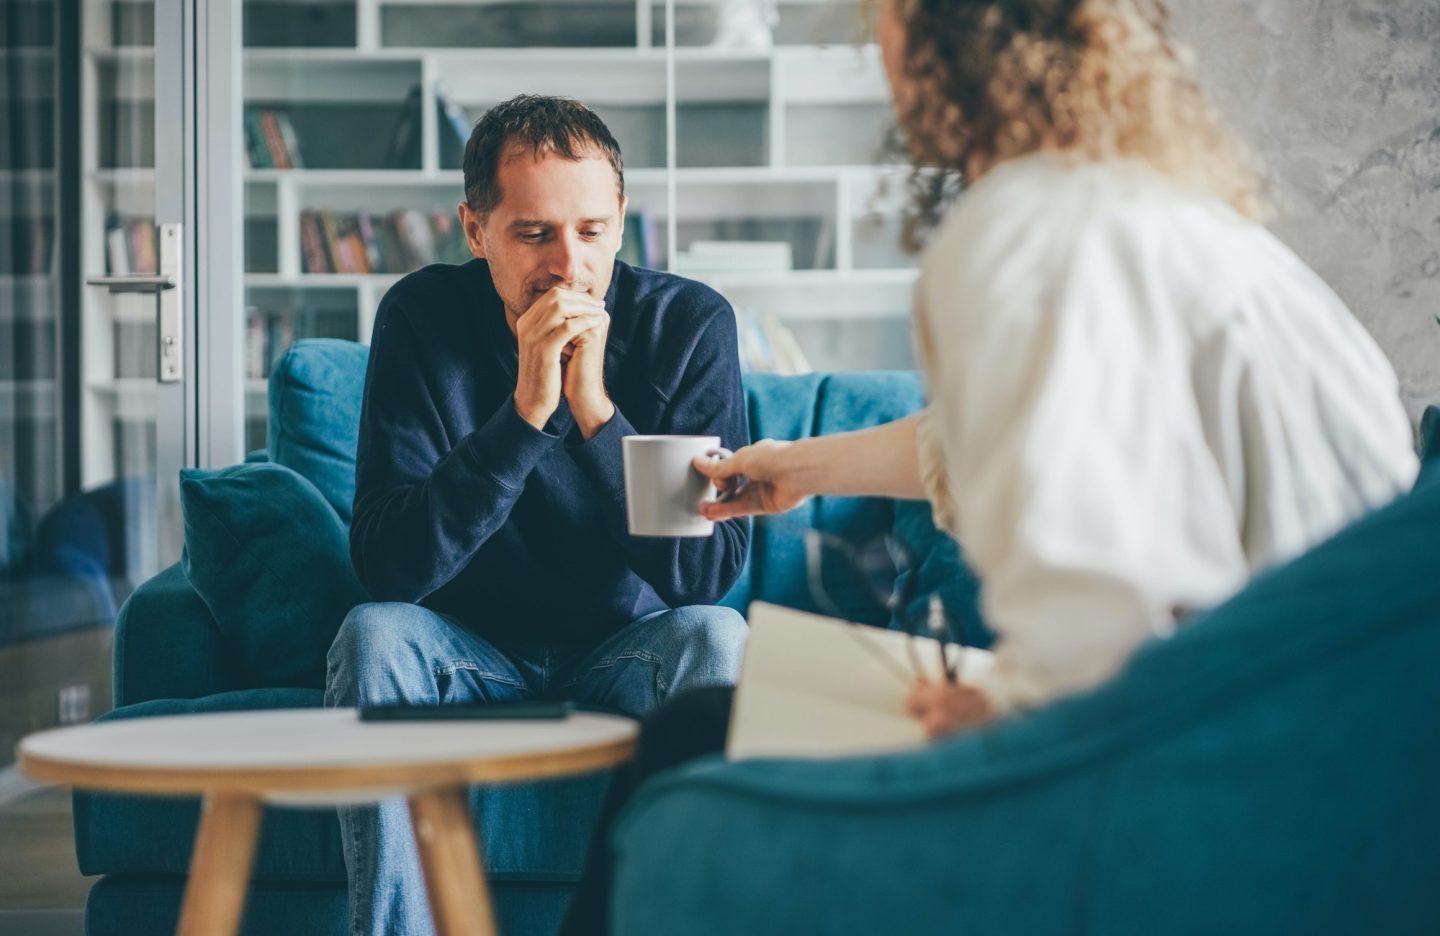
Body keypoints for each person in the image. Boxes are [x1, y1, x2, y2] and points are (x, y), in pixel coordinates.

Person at [558, 0, 1420, 932]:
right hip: (1341, 761)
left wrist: (1002, 706)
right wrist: (798, 469)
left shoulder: (1022, 231)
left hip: (1188, 776)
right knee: (711, 721)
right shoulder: (1172, 223)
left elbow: (1101, 609)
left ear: (933, 34)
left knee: (693, 744)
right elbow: (990, 433)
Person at [325, 94, 752, 936]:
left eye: (592, 231)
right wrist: (524, 414)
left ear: (623, 222)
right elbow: (389, 565)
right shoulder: (420, 318)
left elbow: (702, 576)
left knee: (717, 636)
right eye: (533, 234)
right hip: (469, 653)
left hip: (628, 650)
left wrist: (594, 412)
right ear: (474, 227)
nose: (568, 267)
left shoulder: (689, 326)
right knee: (372, 635)